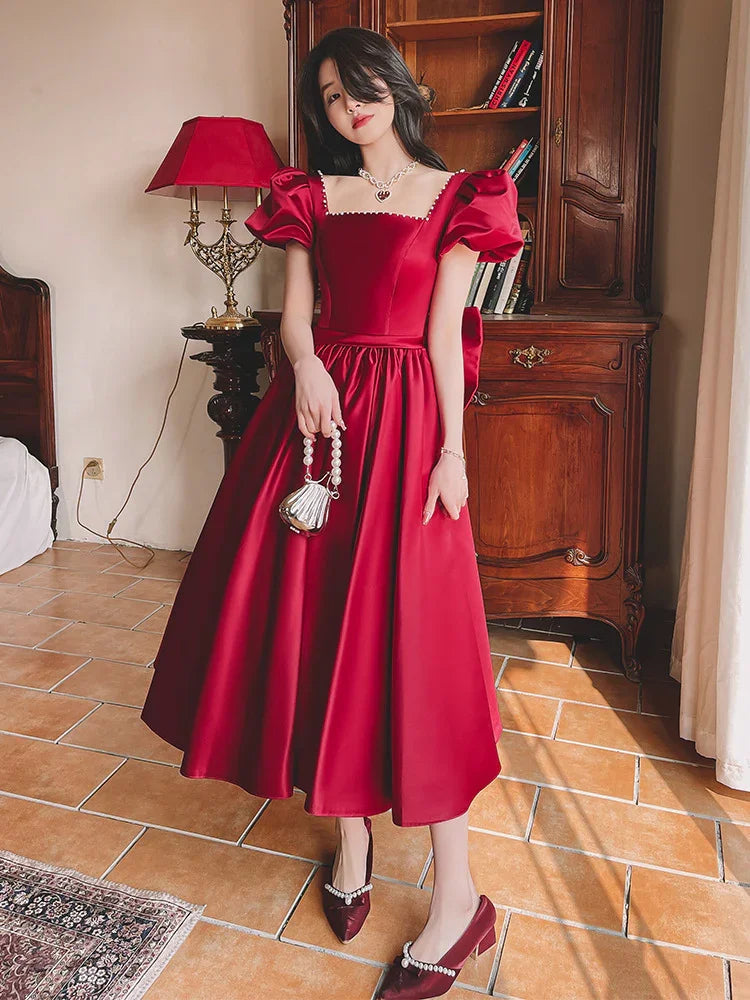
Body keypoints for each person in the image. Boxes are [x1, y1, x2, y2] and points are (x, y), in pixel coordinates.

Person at [140, 24, 524, 1000]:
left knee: (419, 648)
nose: (351, 107)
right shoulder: (306, 197)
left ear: (393, 86)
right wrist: (304, 364)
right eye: (331, 95)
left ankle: (459, 898)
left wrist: (452, 453)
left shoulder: (461, 196)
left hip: (406, 434)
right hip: (315, 430)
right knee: (317, 632)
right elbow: (297, 315)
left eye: (363, 87)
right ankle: (349, 836)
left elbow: (444, 336)